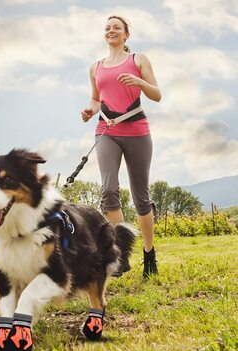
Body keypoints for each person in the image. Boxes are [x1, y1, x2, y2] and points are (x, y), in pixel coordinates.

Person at [81, 15, 161, 279]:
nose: (111, 31)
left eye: (117, 27)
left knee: (141, 196)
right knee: (108, 191)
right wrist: (90, 111)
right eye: (107, 28)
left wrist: (139, 82)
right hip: (106, 130)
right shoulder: (95, 67)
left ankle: (149, 253)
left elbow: (156, 94)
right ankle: (120, 253)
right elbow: (96, 99)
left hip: (136, 130)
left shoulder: (138, 59)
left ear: (126, 35)